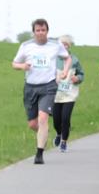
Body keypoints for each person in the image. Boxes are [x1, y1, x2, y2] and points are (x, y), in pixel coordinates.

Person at [12, 19, 71, 164]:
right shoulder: (26, 46)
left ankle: (39, 154)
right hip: (30, 87)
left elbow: (67, 58)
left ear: (47, 31)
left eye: (43, 30)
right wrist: (22, 66)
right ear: (33, 32)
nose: (40, 33)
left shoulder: (55, 45)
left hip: (49, 86)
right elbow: (14, 63)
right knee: (33, 124)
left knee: (43, 118)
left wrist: (65, 71)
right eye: (37, 30)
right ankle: (43, 132)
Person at [52, 35, 83, 152]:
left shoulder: (74, 59)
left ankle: (64, 142)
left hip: (70, 94)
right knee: (56, 120)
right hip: (56, 95)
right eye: (62, 44)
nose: (64, 46)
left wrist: (77, 78)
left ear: (69, 46)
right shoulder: (53, 59)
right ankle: (58, 134)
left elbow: (81, 74)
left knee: (65, 118)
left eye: (66, 44)